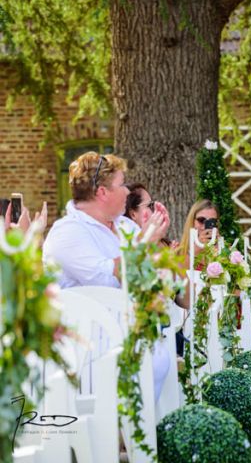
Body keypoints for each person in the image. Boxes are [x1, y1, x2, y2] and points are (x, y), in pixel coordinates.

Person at [42, 151, 170, 401]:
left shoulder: (125, 227)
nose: (126, 192)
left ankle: (136, 436)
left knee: (158, 358)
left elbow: (145, 273)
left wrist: (154, 246)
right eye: (121, 184)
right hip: (87, 350)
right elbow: (105, 281)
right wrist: (146, 241)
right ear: (102, 192)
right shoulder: (66, 232)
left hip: (132, 334)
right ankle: (122, 437)